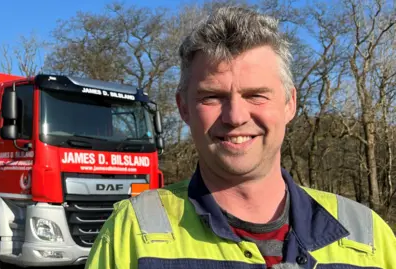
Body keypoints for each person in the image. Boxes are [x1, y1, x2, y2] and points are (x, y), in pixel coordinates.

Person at [84, 6, 396, 269]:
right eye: (212, 97)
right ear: (183, 107)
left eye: (256, 95)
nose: (235, 116)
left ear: (290, 103)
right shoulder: (131, 232)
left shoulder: (368, 236)